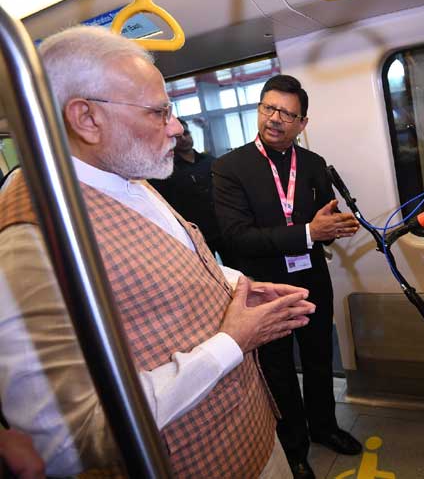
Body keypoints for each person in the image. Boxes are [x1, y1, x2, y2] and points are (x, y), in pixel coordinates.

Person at [0, 26, 316, 478]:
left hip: (253, 440)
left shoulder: (127, 175)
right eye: (158, 112)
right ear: (86, 118)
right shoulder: (30, 239)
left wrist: (237, 285)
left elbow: (167, 261)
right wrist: (230, 344)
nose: (177, 127)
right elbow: (66, 443)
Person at [213, 74, 361, 479]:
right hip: (265, 288)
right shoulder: (229, 168)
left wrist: (332, 227)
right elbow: (237, 237)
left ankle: (324, 427)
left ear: (302, 123)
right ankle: (294, 446)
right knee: (279, 369)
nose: (275, 118)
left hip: (312, 279)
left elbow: (323, 217)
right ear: (260, 109)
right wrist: (310, 231)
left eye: (286, 114)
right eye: (269, 108)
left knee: (319, 359)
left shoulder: (313, 165)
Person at [149, 117, 227, 260]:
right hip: (194, 235)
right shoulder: (165, 170)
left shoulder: (209, 161)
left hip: (223, 229)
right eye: (178, 137)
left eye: (186, 133)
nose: (184, 139)